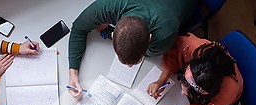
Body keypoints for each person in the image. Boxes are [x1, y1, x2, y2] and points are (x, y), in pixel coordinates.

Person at [67, 0, 198, 98]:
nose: (129, 67)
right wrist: (73, 74)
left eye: (135, 62)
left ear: (150, 38)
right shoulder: (110, 6)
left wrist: (105, 31)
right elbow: (78, 28)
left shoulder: (164, 36)